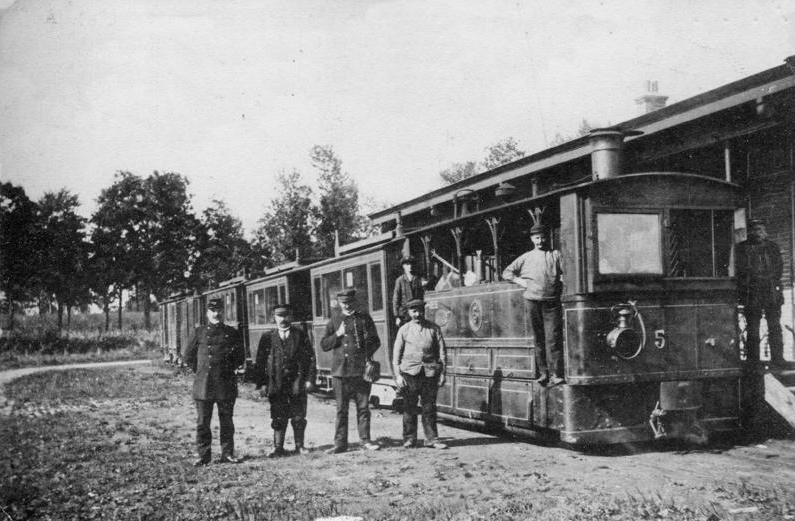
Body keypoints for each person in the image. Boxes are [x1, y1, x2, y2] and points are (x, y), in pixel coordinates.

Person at [183, 298, 245, 466]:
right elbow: (188, 356)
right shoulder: (199, 332)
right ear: (207, 313)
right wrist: (203, 371)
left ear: (223, 312)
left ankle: (227, 454)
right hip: (204, 384)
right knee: (203, 422)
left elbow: (239, 357)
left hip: (225, 383)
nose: (216, 313)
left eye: (219, 310)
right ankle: (204, 456)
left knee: (226, 421)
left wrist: (224, 369)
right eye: (213, 311)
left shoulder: (232, 333)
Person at [502, 223, 565, 386]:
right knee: (538, 339)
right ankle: (543, 373)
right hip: (532, 301)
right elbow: (506, 272)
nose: (540, 241)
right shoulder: (526, 257)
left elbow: (565, 271)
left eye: (543, 237)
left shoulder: (556, 255)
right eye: (537, 238)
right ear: (532, 239)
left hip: (551, 302)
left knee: (553, 338)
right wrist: (520, 281)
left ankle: (556, 374)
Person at [320, 289, 382, 453]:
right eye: (344, 303)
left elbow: (376, 341)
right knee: (341, 409)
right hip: (340, 373)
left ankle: (365, 440)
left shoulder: (364, 319)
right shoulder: (334, 320)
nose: (347, 305)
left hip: (360, 371)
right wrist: (338, 335)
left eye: (349, 302)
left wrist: (366, 355)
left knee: (363, 408)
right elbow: (324, 344)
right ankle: (340, 444)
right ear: (340, 303)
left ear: (354, 302)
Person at [253, 303, 316, 457]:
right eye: (279, 316)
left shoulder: (300, 334)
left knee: (298, 415)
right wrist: (261, 384)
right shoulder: (268, 337)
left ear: (291, 317)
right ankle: (278, 447)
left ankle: (299, 446)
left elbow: (310, 358)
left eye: (286, 315)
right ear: (274, 318)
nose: (283, 319)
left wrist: (309, 379)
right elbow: (260, 362)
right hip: (276, 382)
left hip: (297, 381)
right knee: (278, 415)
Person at [393, 298, 448, 449]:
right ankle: (409, 438)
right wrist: (398, 375)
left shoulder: (434, 329)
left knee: (429, 407)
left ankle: (432, 439)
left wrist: (443, 373)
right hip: (409, 373)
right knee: (409, 407)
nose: (417, 314)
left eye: (420, 311)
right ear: (409, 312)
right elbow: (396, 356)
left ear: (424, 311)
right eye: (414, 311)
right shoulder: (404, 330)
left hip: (430, 373)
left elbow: (442, 353)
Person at [737, 218, 786, 367]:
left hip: (771, 292)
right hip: (752, 293)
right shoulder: (742, 248)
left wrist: (769, 278)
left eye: (760, 229)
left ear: (765, 231)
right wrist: (754, 279)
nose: (757, 233)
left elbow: (779, 268)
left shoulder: (773, 247)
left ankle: (778, 359)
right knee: (752, 327)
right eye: (754, 229)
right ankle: (753, 361)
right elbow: (741, 269)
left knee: (775, 326)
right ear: (749, 232)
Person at [392, 255, 425, 327]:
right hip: (404, 315)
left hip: (417, 313)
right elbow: (396, 299)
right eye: (407, 264)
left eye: (411, 264)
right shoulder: (400, 280)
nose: (410, 266)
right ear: (403, 266)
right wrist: (397, 317)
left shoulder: (419, 278)